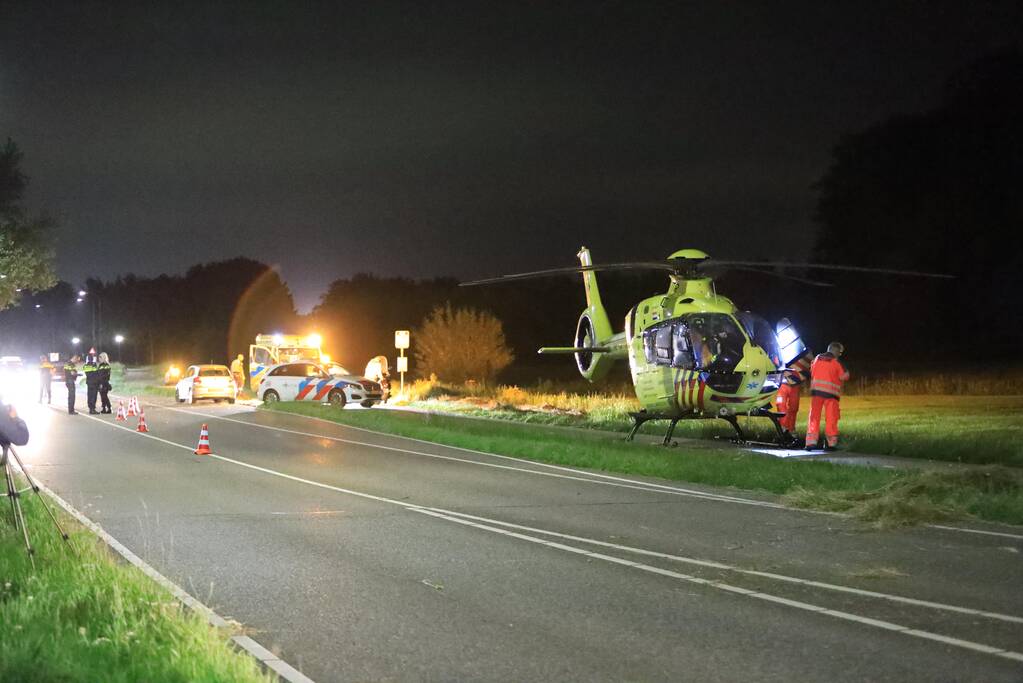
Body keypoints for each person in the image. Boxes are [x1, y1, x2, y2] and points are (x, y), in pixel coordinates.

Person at [805, 342, 851, 451]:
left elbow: (812, 371)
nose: (840, 355)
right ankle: (831, 444)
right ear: (835, 351)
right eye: (840, 352)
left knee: (814, 418)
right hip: (831, 395)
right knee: (831, 418)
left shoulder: (816, 359)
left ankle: (810, 443)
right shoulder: (836, 362)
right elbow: (844, 376)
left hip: (816, 393)